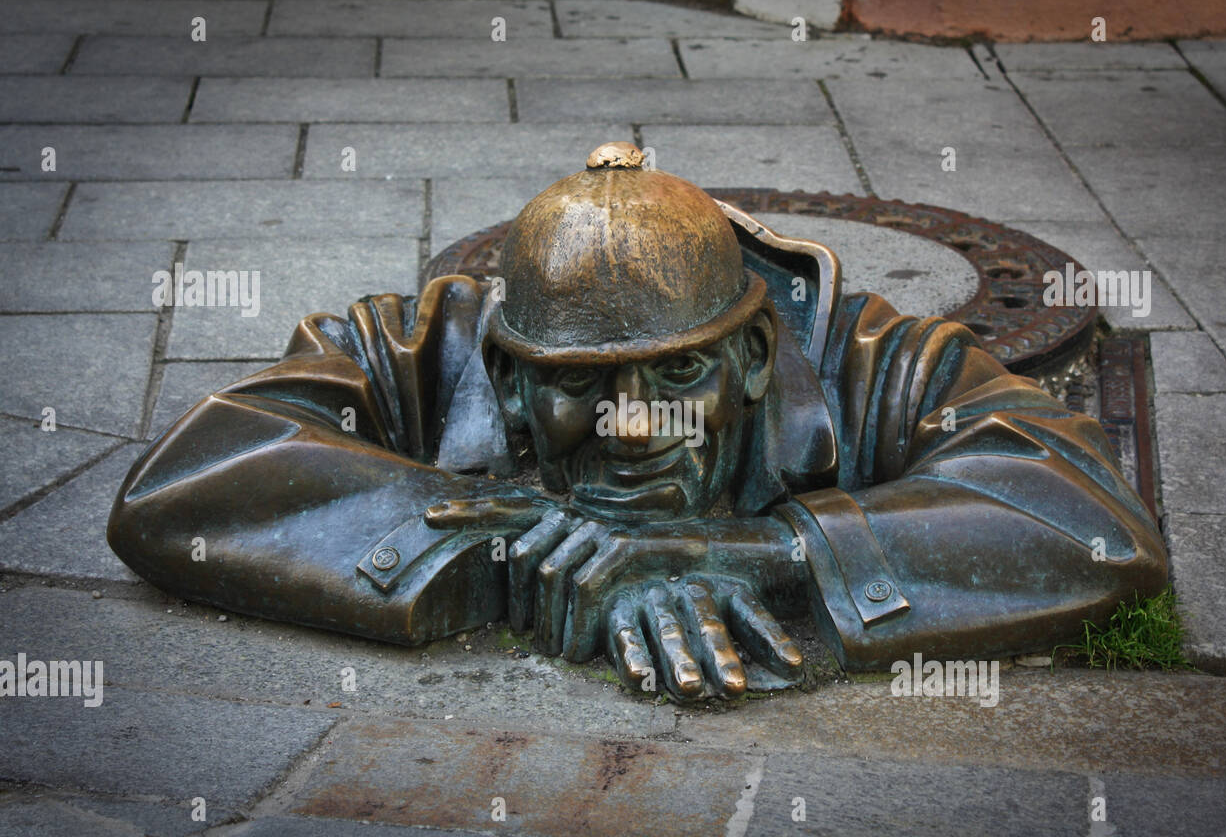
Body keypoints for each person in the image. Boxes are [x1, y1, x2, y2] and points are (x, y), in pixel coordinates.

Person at [108, 142, 1167, 699]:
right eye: (578, 385)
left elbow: (1089, 516)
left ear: (753, 357)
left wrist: (759, 555)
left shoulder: (867, 357)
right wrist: (515, 552)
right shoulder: (432, 341)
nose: (625, 425)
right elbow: (187, 474)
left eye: (675, 376)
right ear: (510, 373)